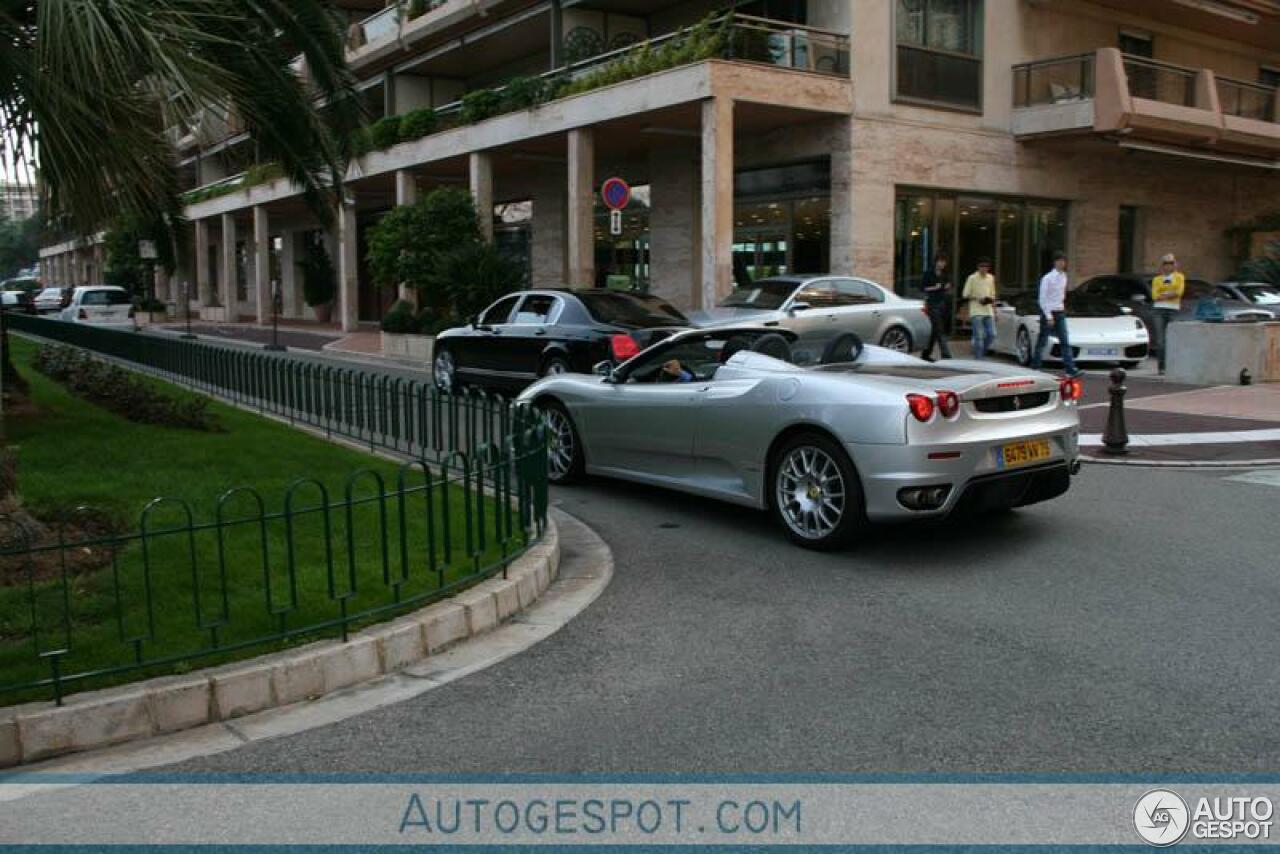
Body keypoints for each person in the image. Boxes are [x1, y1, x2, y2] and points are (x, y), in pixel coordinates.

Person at [1030, 251, 1080, 377]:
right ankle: (1035, 366)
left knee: (1065, 341)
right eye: (1059, 261)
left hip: (1060, 311)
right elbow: (1042, 298)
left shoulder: (1064, 276)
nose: (1062, 263)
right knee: (1043, 340)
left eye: (1064, 261)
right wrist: (1048, 316)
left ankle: (1070, 369)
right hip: (1049, 311)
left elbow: (1061, 295)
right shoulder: (1047, 278)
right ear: (1055, 262)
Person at [1150, 253, 1185, 375]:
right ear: (1162, 265)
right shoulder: (1157, 279)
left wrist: (1164, 294)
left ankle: (1174, 365)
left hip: (1173, 309)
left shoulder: (1179, 277)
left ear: (1175, 264)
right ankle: (1162, 366)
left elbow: (1179, 292)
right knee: (1160, 341)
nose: (1168, 266)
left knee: (1172, 338)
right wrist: (1170, 293)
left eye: (1171, 263)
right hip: (1158, 310)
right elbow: (1154, 296)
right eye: (1166, 263)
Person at [920, 253, 953, 361]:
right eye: (940, 261)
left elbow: (949, 284)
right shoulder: (928, 273)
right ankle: (946, 355)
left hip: (943, 303)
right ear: (936, 262)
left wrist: (948, 286)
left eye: (944, 262)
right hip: (932, 303)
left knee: (935, 330)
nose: (942, 264)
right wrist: (934, 287)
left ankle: (925, 354)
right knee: (939, 329)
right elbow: (922, 288)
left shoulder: (945, 274)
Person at [962, 258, 997, 359]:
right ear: (978, 267)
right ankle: (979, 357)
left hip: (988, 310)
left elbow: (993, 294)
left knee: (992, 334)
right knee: (979, 336)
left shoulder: (991, 278)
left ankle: (980, 351)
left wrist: (994, 308)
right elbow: (965, 294)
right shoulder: (972, 278)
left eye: (986, 267)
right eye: (982, 266)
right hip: (976, 311)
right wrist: (977, 298)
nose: (984, 269)